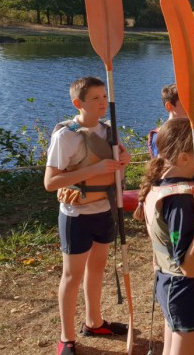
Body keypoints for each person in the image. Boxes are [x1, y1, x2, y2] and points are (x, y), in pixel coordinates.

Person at [44, 76, 131, 355]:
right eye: (95, 98)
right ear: (78, 103)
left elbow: (120, 161)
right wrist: (95, 170)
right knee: (72, 275)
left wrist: (124, 159)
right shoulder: (65, 136)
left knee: (97, 269)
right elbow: (50, 182)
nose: (103, 102)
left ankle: (93, 322)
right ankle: (66, 338)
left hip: (103, 210)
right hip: (75, 215)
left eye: (104, 97)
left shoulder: (109, 131)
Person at [133, 117, 194, 355]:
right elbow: (189, 266)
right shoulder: (182, 199)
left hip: (170, 285)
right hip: (186, 290)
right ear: (185, 157)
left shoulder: (163, 184)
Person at [148, 84, 188, 158]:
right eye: (184, 103)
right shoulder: (159, 136)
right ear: (169, 106)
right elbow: (160, 166)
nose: (190, 107)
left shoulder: (193, 130)